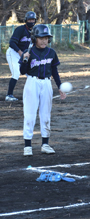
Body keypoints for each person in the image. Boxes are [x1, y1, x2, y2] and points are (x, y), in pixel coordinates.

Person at [19, 24, 66, 156]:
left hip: (46, 83)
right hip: (32, 82)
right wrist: (24, 60)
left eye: (46, 38)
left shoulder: (51, 52)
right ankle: (27, 146)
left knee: (46, 114)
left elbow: (55, 72)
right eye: (41, 38)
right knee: (29, 114)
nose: (44, 40)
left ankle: (45, 144)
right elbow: (22, 72)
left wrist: (60, 87)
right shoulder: (29, 52)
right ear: (35, 38)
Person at [5, 11, 36, 102]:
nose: (31, 21)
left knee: (31, 74)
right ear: (26, 20)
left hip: (24, 54)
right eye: (29, 19)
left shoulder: (35, 31)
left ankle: (32, 94)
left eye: (33, 19)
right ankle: (9, 95)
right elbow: (12, 43)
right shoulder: (20, 29)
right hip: (13, 53)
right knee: (16, 73)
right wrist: (19, 52)